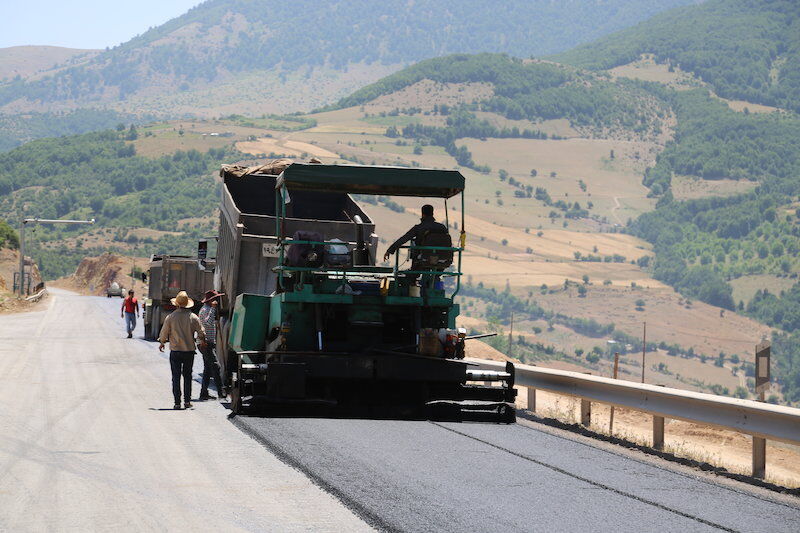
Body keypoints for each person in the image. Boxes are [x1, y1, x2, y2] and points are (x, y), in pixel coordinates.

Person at [158, 291, 206, 410]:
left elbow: (164, 332)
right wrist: (202, 340)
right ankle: (187, 401)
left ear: (177, 304)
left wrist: (162, 342)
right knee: (187, 376)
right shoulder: (193, 317)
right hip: (189, 352)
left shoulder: (171, 317)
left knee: (176, 377)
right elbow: (201, 332)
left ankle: (177, 402)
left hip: (175, 352)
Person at [383, 204, 449, 265]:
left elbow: (404, 239)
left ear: (423, 214)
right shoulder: (442, 227)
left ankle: (414, 273)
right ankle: (436, 276)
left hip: (424, 257)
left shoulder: (419, 228)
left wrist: (390, 250)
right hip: (443, 258)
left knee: (416, 250)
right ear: (432, 213)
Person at [198, 290, 225, 401]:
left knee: (208, 369)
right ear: (211, 301)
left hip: (208, 343)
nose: (216, 301)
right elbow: (208, 323)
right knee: (216, 366)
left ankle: (204, 393)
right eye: (215, 299)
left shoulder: (207, 309)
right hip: (206, 344)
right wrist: (214, 309)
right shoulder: (206, 310)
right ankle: (220, 392)